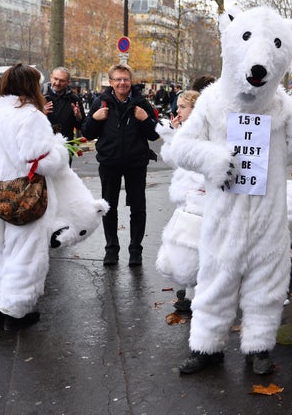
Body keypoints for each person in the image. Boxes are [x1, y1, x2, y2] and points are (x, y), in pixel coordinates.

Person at [0, 63, 69, 330]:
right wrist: (60, 149)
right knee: (24, 252)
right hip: (24, 196)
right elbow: (40, 161)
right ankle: (16, 310)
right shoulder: (30, 116)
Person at [81, 64, 159, 267]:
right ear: (111, 82)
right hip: (110, 163)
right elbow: (87, 133)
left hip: (136, 163)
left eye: (125, 79)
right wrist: (96, 119)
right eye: (118, 79)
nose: (122, 83)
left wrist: (144, 120)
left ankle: (135, 251)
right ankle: (111, 250)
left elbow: (153, 133)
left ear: (130, 81)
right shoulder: (101, 103)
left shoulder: (141, 103)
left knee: (138, 208)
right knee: (109, 208)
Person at [155, 90, 203, 313]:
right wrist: (171, 136)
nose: (177, 111)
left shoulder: (203, 132)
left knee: (193, 246)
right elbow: (175, 160)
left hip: (198, 197)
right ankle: (189, 290)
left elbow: (197, 162)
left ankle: (194, 296)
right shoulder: (186, 130)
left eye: (183, 107)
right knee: (185, 244)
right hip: (186, 196)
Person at [44, 67, 85, 141]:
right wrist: (40, 113)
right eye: (55, 79)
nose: (57, 83)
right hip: (43, 145)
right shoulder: (39, 96)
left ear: (68, 82)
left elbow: (82, 126)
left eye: (62, 81)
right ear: (50, 77)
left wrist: (78, 118)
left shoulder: (74, 99)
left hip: (66, 146)